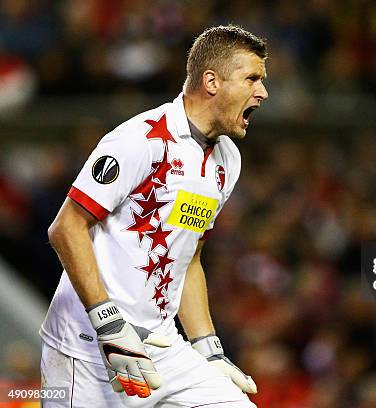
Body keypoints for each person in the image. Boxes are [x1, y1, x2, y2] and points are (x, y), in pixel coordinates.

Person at [39, 25, 268, 407]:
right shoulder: (142, 139)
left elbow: (188, 255)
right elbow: (66, 227)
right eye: (252, 79)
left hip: (164, 348)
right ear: (212, 81)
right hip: (88, 351)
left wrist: (208, 348)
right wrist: (109, 324)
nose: (262, 92)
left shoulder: (227, 160)